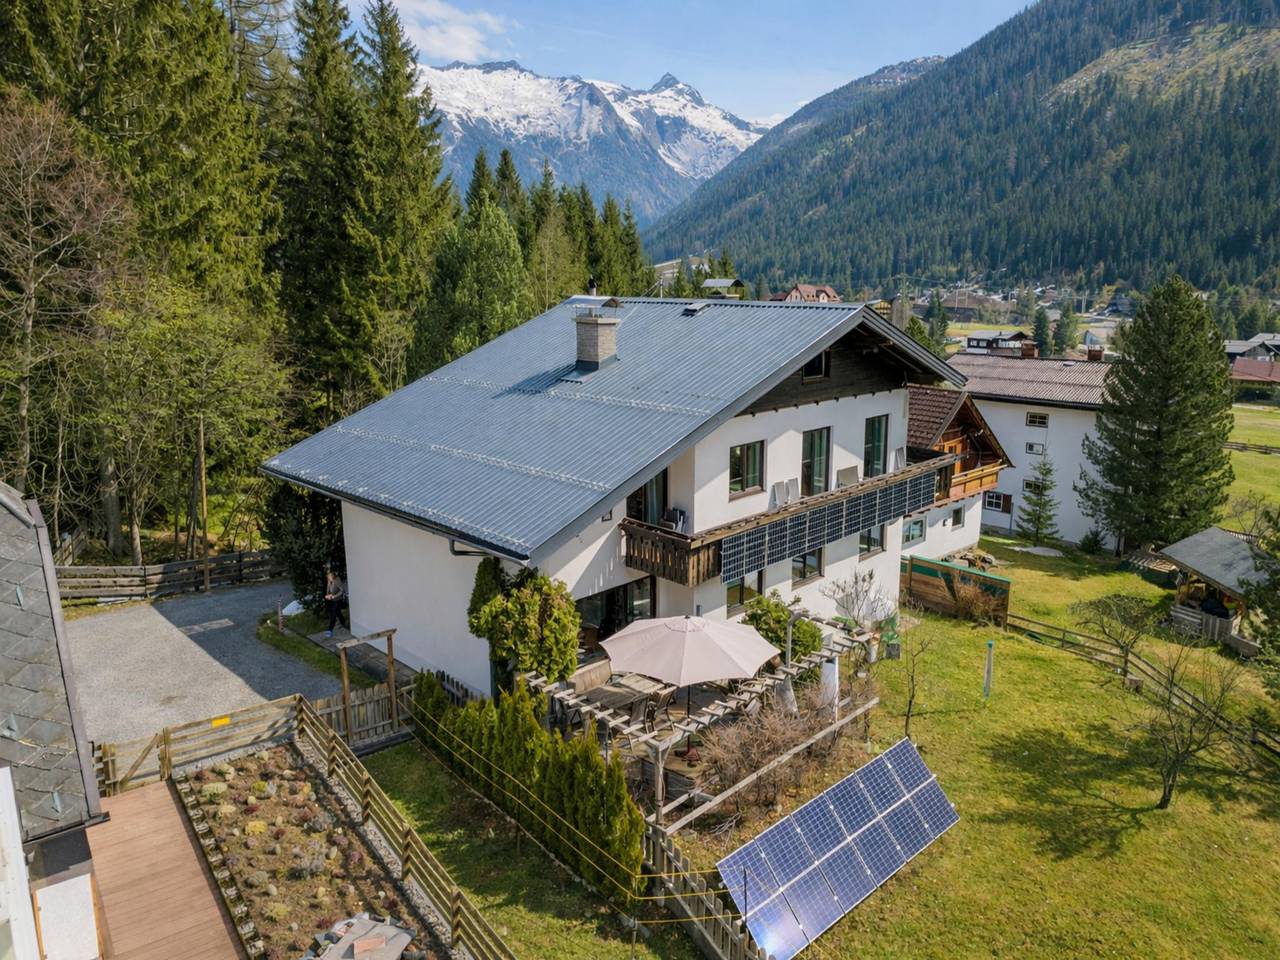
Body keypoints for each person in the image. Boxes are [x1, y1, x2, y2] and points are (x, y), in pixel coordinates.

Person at [324, 567, 349, 637]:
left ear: (333, 574)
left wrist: (334, 596)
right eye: (327, 575)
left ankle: (329, 630)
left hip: (338, 600)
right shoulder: (329, 581)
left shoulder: (337, 580)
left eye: (329, 575)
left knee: (333, 616)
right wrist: (328, 595)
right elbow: (328, 590)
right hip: (332, 600)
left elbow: (342, 591)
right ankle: (344, 623)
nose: (328, 576)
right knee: (338, 613)